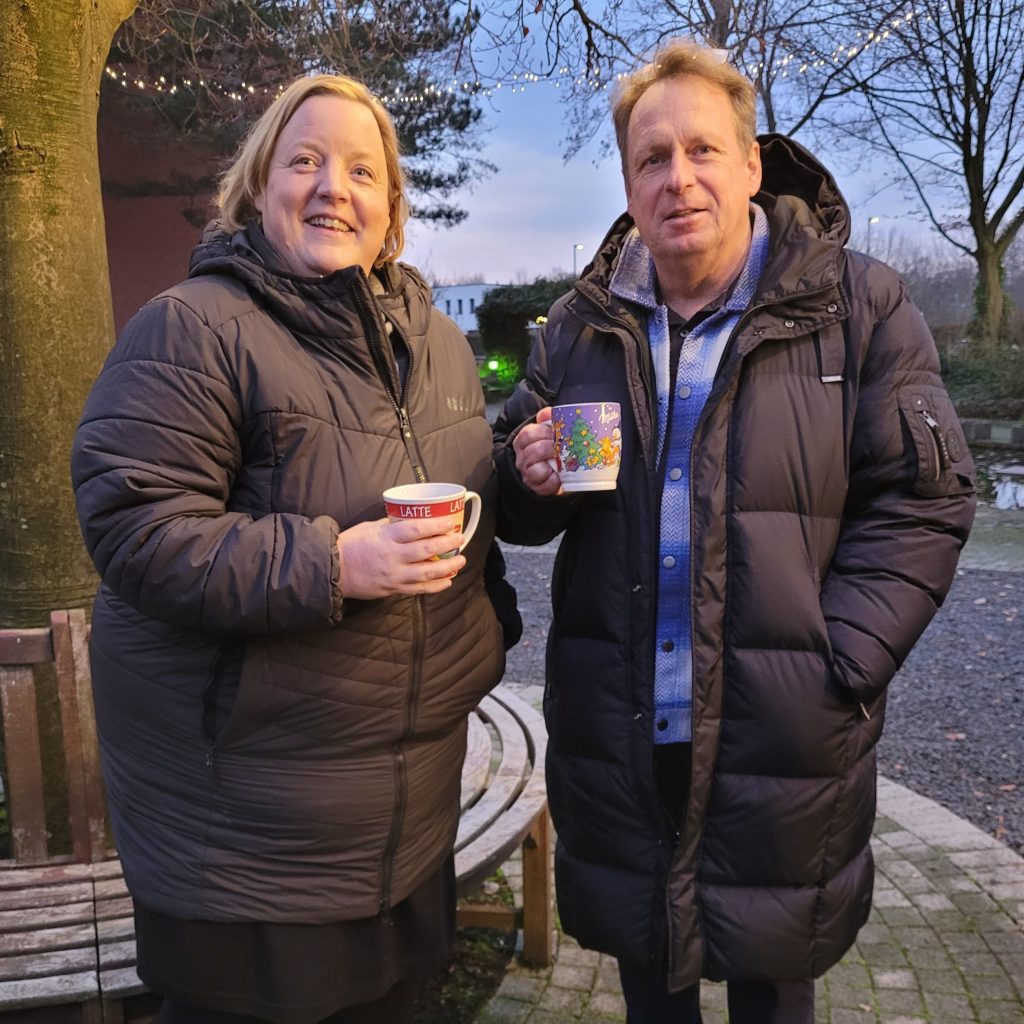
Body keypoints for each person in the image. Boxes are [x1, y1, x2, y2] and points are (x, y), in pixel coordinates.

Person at [493, 40, 975, 1024]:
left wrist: (838, 658)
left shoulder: (856, 306)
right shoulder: (583, 329)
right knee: (649, 987)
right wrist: (527, 472)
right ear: (627, 182)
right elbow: (524, 505)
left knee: (770, 982)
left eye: (703, 150)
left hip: (779, 724)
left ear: (752, 161)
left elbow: (926, 498)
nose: (678, 178)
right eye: (651, 158)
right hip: (624, 727)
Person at [72, 73, 516, 1024]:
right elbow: (135, 526)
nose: (332, 187)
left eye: (362, 169)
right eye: (304, 160)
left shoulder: (434, 343)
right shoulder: (193, 328)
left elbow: (465, 489)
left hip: (403, 822)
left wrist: (525, 473)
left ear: (392, 206)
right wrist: (333, 564)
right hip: (243, 845)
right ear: (258, 183)